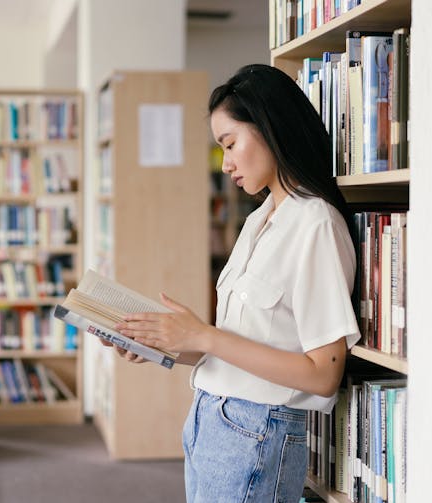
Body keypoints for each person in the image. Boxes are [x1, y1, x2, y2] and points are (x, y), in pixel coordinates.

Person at [113, 63, 361, 503]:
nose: (225, 164)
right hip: (210, 420)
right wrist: (162, 344)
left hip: (256, 431)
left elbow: (324, 375)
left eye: (230, 144)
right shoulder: (257, 221)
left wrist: (203, 334)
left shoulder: (315, 223)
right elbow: (237, 349)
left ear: (268, 128)